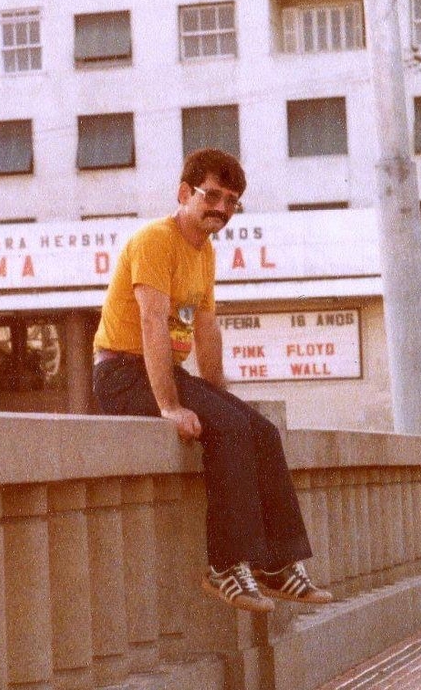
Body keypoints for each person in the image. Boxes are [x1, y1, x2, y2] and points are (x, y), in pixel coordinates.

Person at [91, 148, 333, 613]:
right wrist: (169, 407)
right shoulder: (154, 241)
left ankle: (278, 565)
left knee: (259, 428)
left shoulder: (204, 252)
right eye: (213, 196)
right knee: (226, 427)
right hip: (121, 373)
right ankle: (225, 565)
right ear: (185, 193)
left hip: (159, 370)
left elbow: (206, 327)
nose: (221, 209)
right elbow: (152, 325)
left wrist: (221, 394)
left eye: (232, 202)